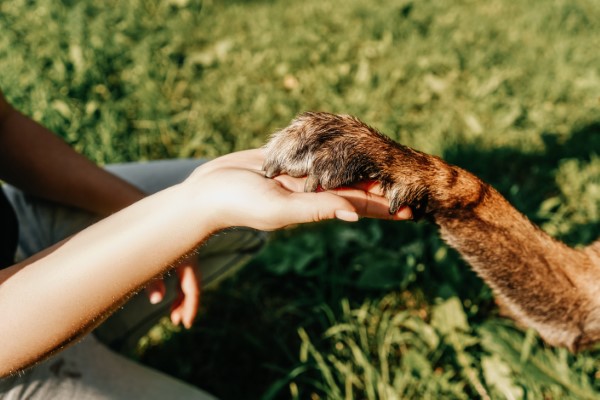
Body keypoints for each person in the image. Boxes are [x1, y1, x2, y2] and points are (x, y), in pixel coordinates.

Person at [0, 90, 412, 399]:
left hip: (17, 238)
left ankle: (94, 334)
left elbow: (3, 126)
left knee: (247, 220)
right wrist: (191, 208)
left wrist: (141, 212)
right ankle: (79, 356)